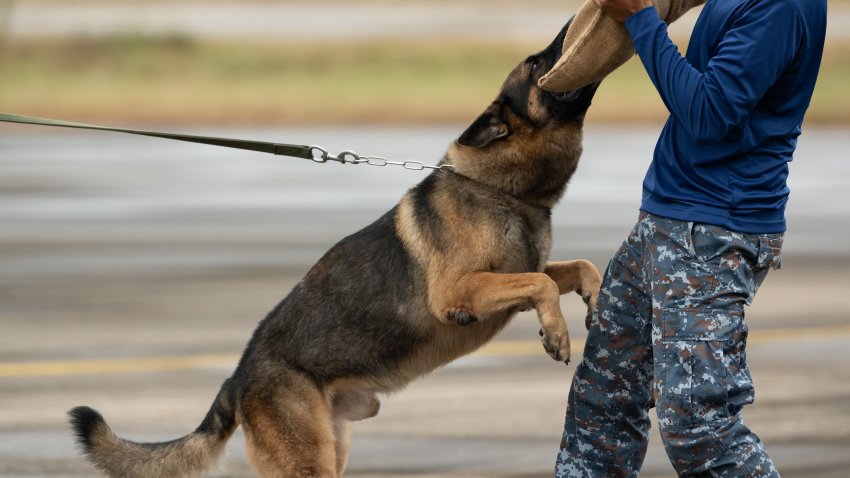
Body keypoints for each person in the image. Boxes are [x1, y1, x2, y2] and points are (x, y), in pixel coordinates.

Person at [555, 0, 827, 476]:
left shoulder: (780, 6)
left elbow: (707, 113)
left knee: (698, 427)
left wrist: (640, 19)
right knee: (602, 399)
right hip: (664, 218)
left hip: (715, 232)